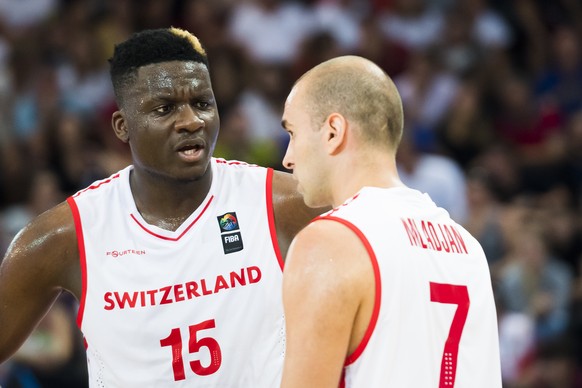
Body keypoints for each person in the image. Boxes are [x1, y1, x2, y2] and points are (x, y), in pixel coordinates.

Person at [0, 27, 323, 387]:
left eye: (202, 103)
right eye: (165, 108)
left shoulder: (285, 202)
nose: (191, 121)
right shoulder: (68, 234)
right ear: (123, 127)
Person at [279, 55, 502, 387]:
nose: (288, 158)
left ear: (333, 132)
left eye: (293, 134)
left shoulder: (330, 242)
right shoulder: (468, 247)